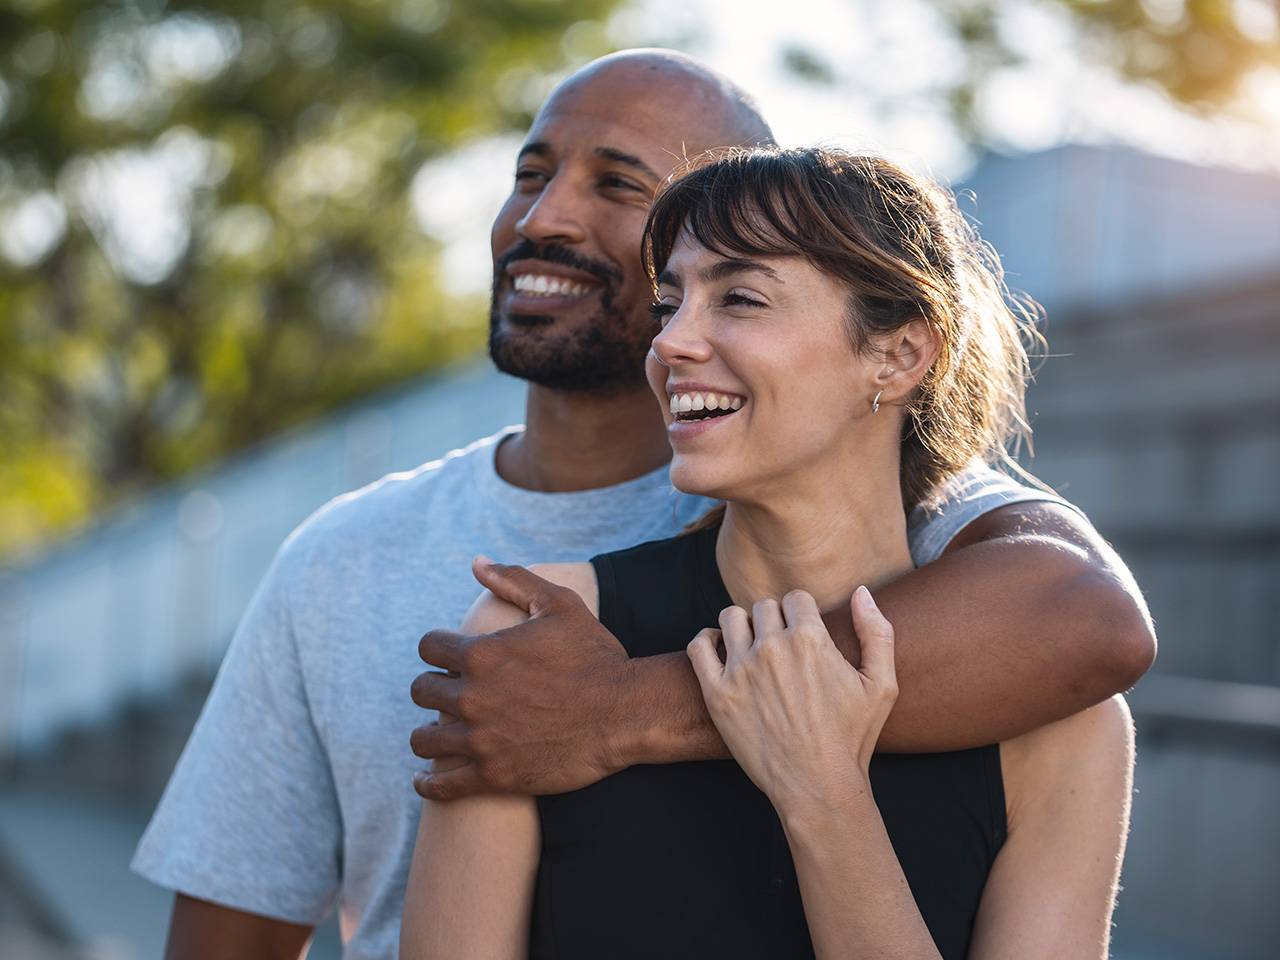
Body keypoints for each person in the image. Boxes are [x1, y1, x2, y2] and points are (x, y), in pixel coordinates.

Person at [133, 50, 1152, 958]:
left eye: (616, 184)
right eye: (528, 176)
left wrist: (629, 713)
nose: (542, 220)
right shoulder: (379, 570)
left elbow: (1093, 622)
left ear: (893, 356)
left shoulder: (939, 535)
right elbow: (231, 929)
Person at [399, 146, 1135, 959]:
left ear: (898, 355)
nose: (671, 342)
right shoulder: (534, 638)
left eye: (740, 298)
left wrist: (822, 798)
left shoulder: (1062, 728)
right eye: (670, 301)